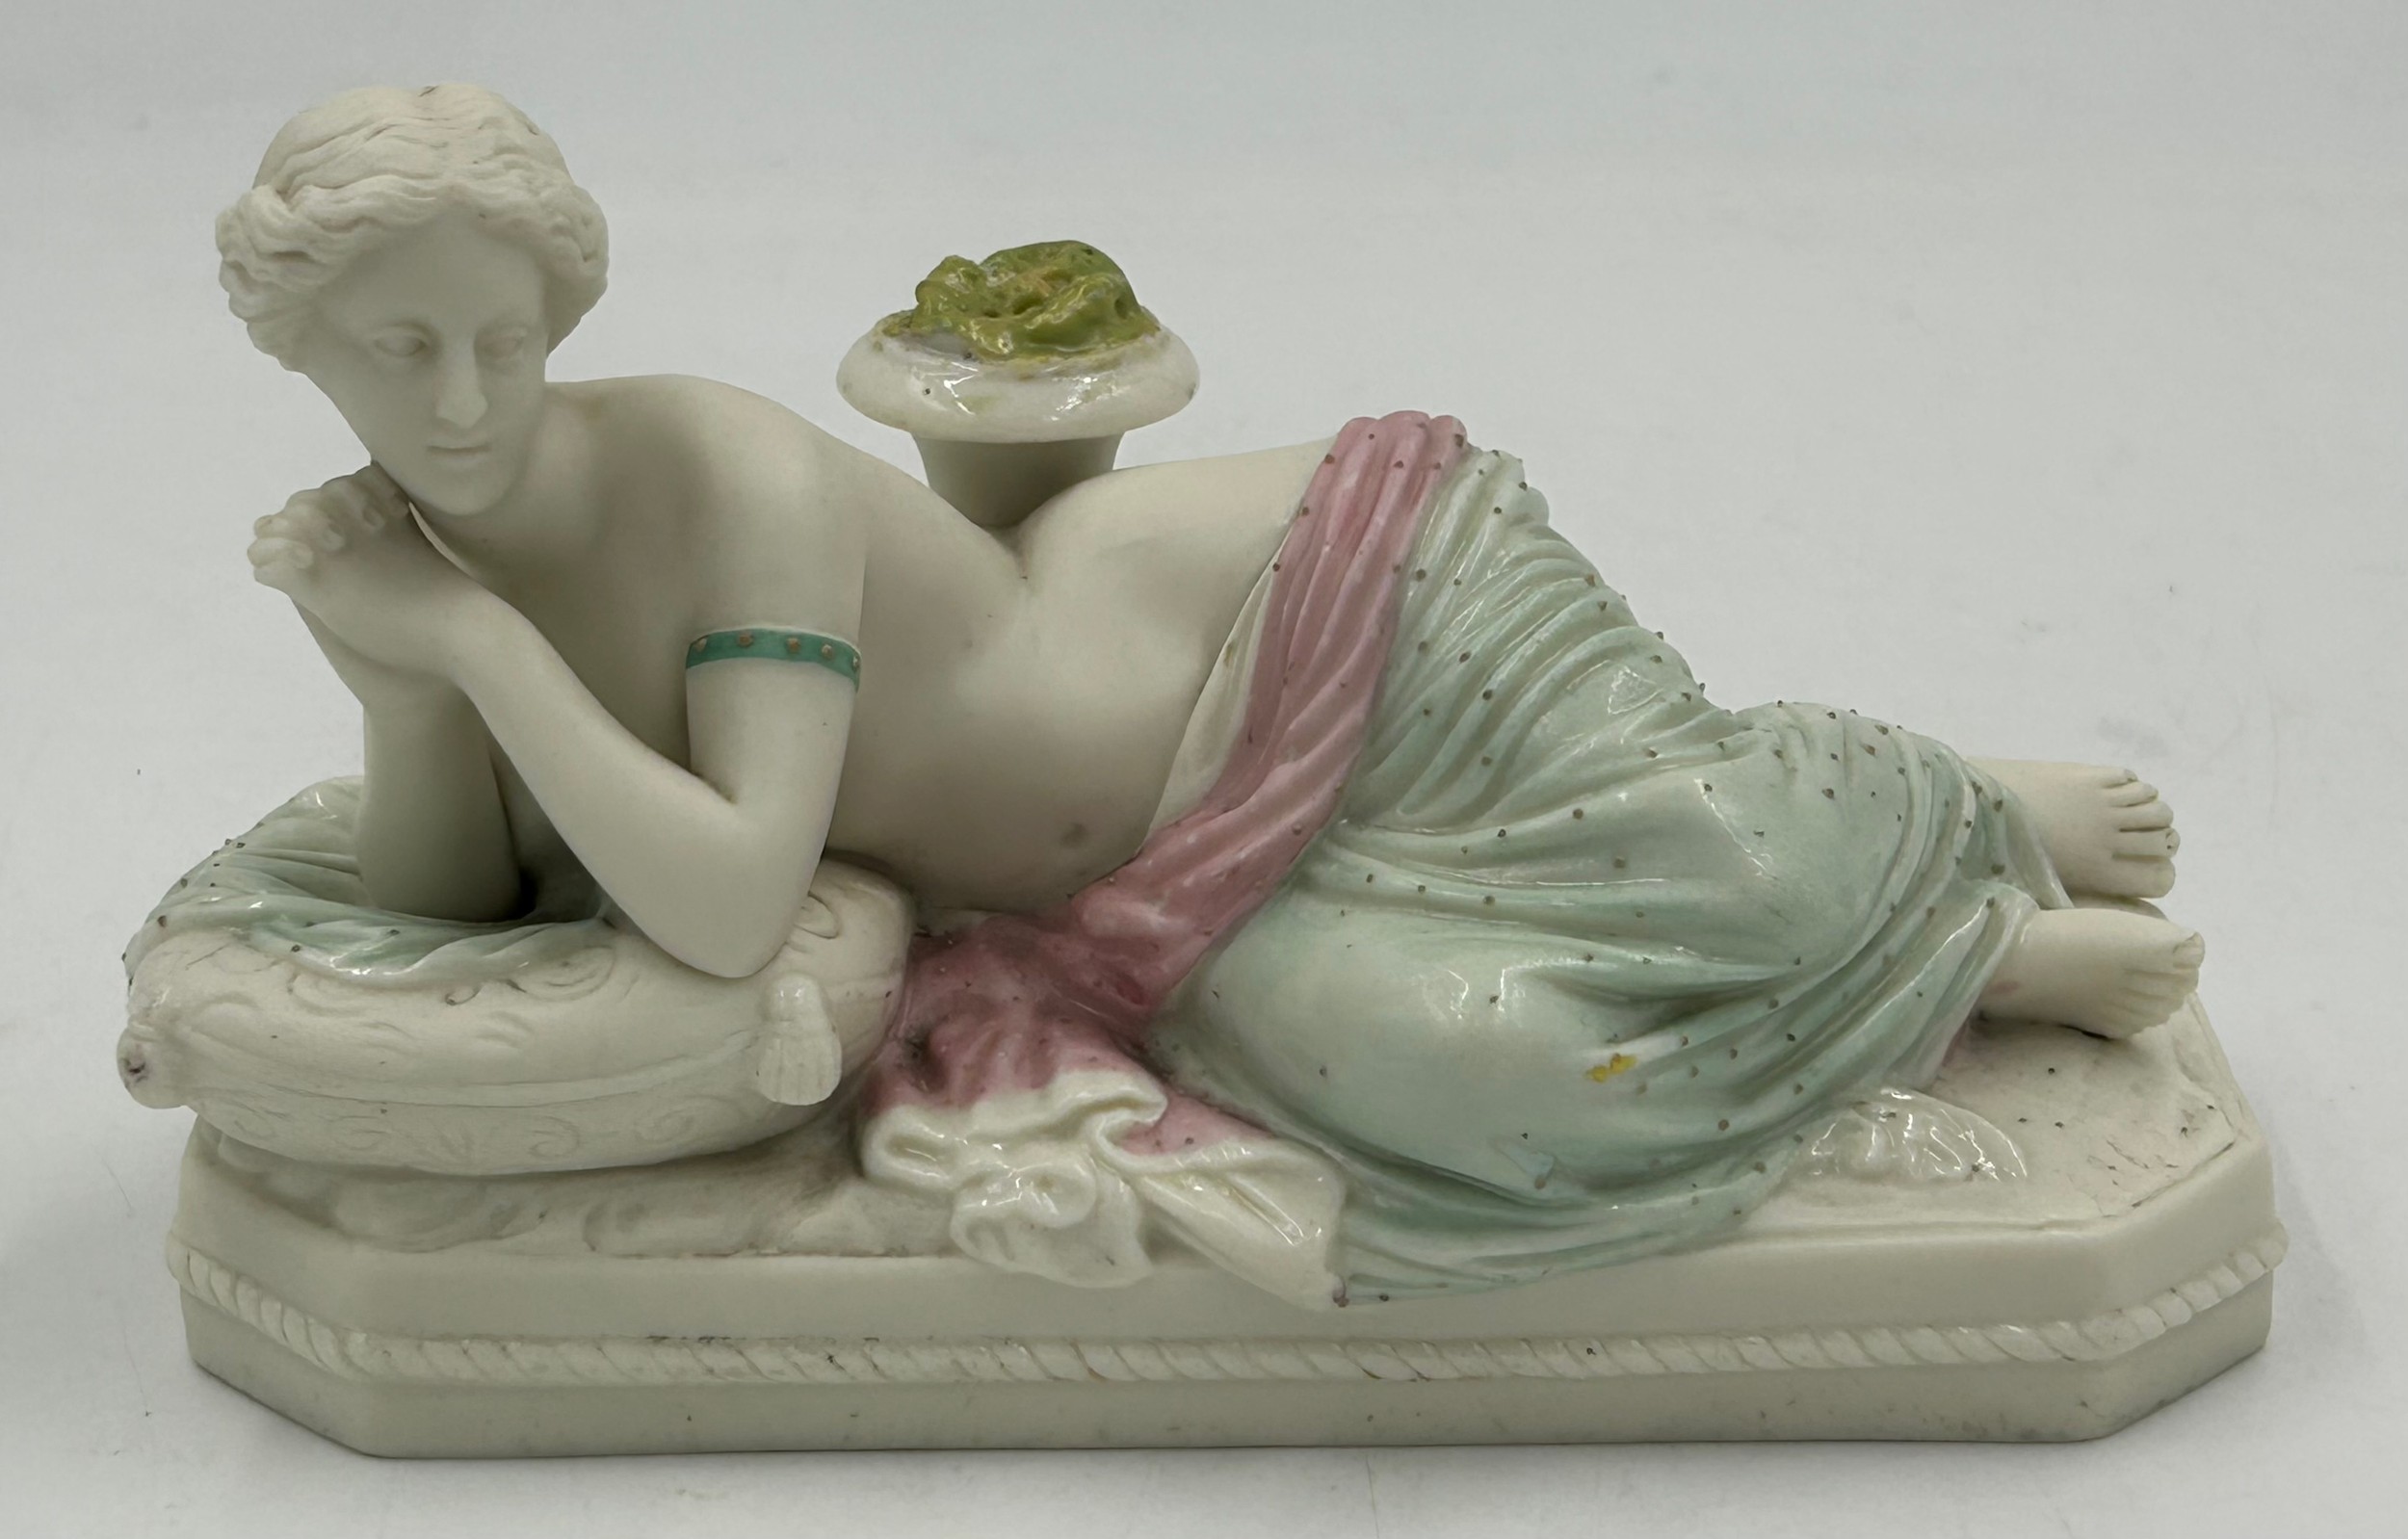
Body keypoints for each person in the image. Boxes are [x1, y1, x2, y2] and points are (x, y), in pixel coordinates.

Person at [214, 85, 2199, 1297]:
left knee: (1720, 857)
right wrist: (400, 678)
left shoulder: (718, 477)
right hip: (1164, 912)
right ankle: (1927, 961)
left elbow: (730, 898)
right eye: (398, 350)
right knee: (1475, 1089)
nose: (457, 402)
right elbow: (455, 899)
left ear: (563, 313)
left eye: (499, 340)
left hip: (1311, 625)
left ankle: (1953, 826)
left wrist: (469, 643)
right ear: (301, 350)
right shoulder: (425, 557)